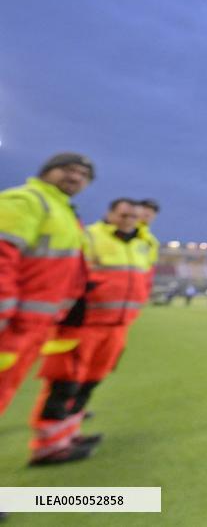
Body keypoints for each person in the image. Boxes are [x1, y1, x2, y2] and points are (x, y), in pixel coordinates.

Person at [30, 197, 156, 464]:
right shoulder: (88, 236)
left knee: (89, 383)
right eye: (123, 215)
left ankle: (69, 434)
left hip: (117, 326)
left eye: (133, 217)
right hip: (84, 324)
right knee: (64, 383)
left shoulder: (142, 244)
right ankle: (48, 446)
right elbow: (66, 273)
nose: (128, 221)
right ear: (110, 213)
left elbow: (142, 280)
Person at [0, 153, 94, 463]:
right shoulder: (27, 200)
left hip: (32, 325)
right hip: (13, 324)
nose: (76, 177)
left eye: (83, 175)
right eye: (68, 169)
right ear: (46, 171)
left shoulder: (64, 212)